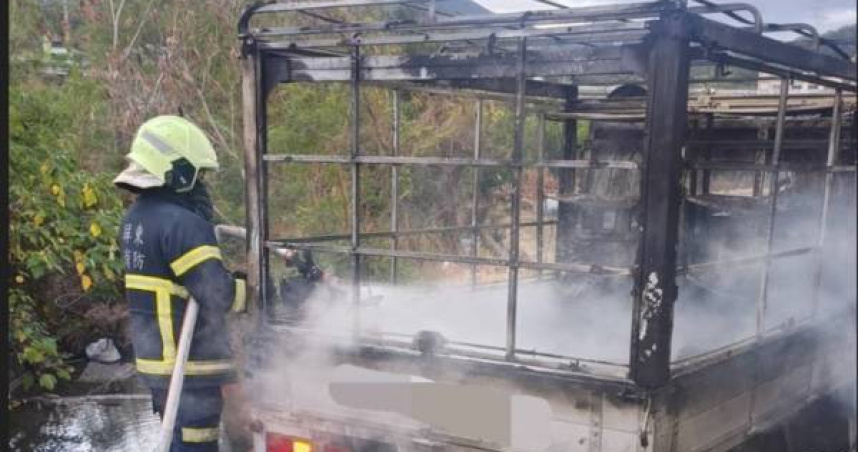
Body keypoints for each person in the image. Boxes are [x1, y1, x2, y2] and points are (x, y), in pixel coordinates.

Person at [114, 115, 249, 451]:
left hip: (157, 362)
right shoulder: (184, 225)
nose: (202, 183)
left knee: (175, 436)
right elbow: (216, 294)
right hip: (190, 364)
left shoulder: (135, 219)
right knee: (195, 445)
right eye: (200, 175)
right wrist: (252, 290)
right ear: (179, 171)